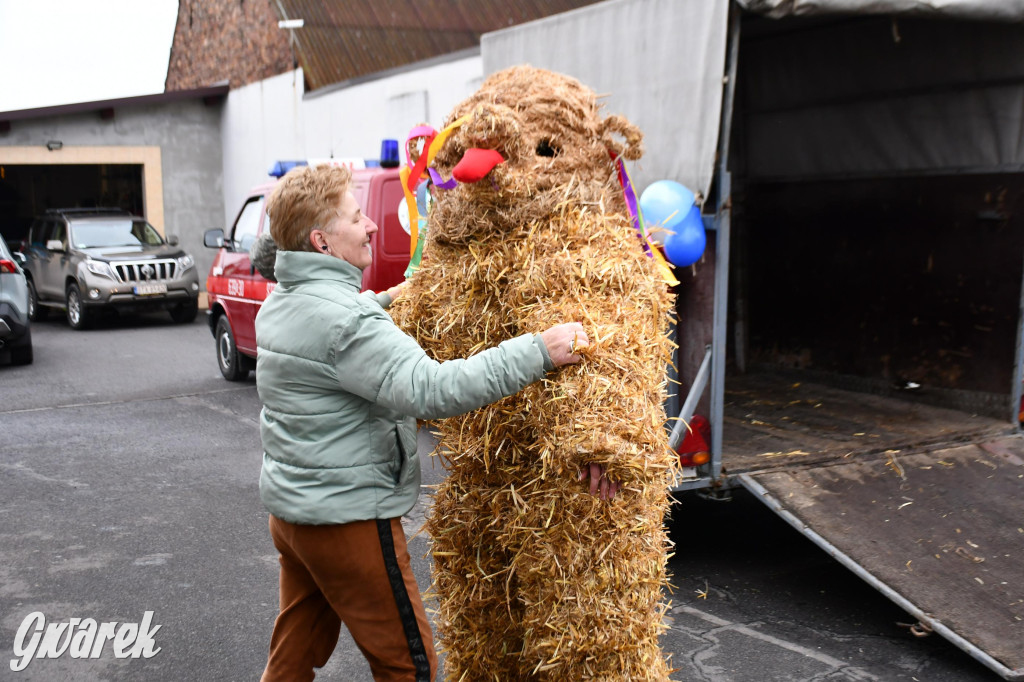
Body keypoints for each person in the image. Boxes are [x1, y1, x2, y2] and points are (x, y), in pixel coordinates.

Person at [255, 164, 598, 682]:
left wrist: (393, 296)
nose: (371, 225)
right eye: (356, 217)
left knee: (293, 654)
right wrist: (538, 350)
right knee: (408, 666)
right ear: (322, 241)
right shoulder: (349, 323)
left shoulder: (283, 300)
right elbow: (434, 389)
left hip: (294, 515)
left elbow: (334, 327)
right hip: (349, 521)